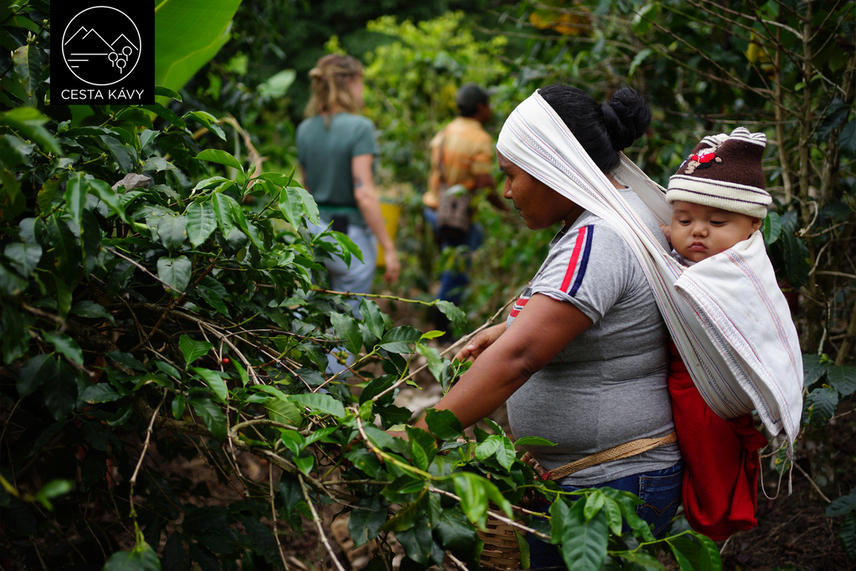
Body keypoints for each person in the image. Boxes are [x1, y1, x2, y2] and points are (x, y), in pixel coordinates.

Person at [414, 85, 682, 569]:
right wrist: (510, 329)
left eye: (513, 176)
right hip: (611, 477)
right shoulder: (612, 218)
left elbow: (519, 360)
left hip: (611, 482)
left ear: (553, 167)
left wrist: (421, 436)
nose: (508, 191)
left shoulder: (598, 238)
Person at [661, 127, 772, 540]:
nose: (697, 231)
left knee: (713, 473)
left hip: (710, 393)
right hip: (679, 384)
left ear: (753, 225)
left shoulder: (746, 275)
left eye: (717, 221)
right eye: (684, 220)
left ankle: (712, 524)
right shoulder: (669, 258)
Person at [297, 54, 400, 319]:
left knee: (314, 315)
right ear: (350, 81)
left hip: (314, 233)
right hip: (348, 235)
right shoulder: (360, 128)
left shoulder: (305, 129)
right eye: (361, 83)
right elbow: (364, 193)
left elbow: (304, 190)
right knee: (345, 325)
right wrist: (388, 248)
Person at [423, 82, 507, 335]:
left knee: (452, 261)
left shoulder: (446, 130)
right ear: (480, 108)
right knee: (456, 271)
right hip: (455, 216)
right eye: (488, 105)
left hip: (434, 208)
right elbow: (483, 182)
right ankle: (441, 326)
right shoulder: (479, 139)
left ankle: (438, 314)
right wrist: (504, 208)